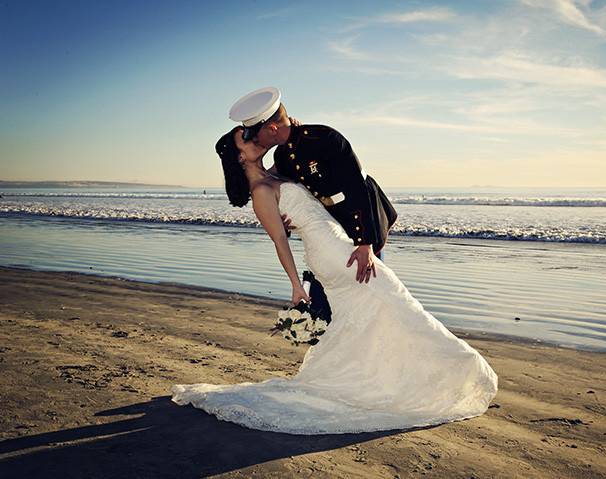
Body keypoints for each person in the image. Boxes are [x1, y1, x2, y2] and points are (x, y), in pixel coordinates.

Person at [169, 125, 499, 435]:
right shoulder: (259, 191)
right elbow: (280, 243)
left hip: (338, 244)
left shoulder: (277, 172)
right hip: (332, 254)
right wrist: (297, 285)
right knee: (396, 302)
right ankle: (458, 366)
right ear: (240, 156)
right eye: (247, 139)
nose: (254, 138)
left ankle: (394, 377)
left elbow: (314, 190)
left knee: (378, 312)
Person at [230, 87, 396, 282]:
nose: (256, 141)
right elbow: (281, 187)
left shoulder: (323, 138)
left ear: (273, 129)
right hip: (330, 226)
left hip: (362, 219)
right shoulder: (282, 155)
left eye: (255, 136)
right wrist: (284, 221)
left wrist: (365, 243)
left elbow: (358, 188)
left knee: (373, 283)